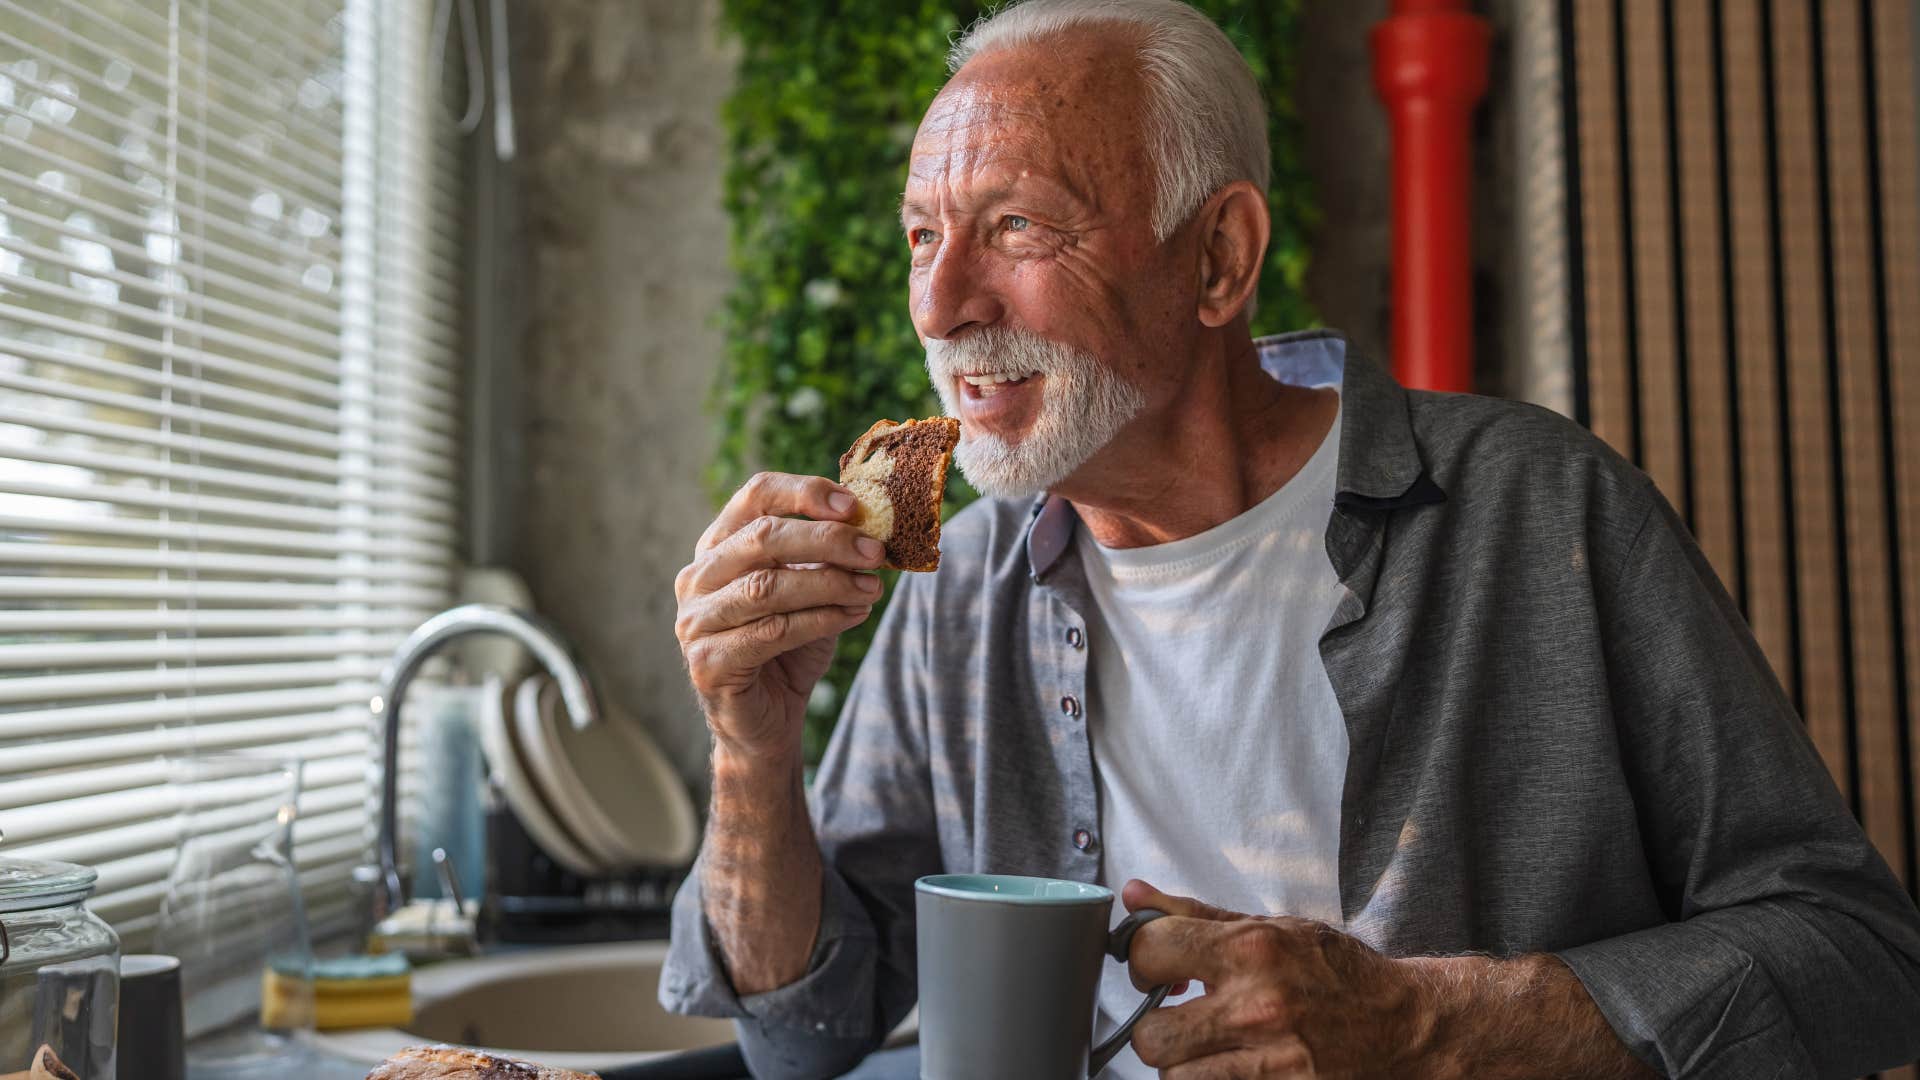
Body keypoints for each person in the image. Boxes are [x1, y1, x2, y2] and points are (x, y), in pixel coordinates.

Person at [660, 1, 1920, 1076]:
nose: (939, 307)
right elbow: (803, 1035)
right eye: (924, 236)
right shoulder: (960, 591)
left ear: (1219, 257)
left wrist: (1425, 1027)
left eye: (1018, 228)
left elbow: (1859, 955)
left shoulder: (1544, 513)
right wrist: (750, 751)